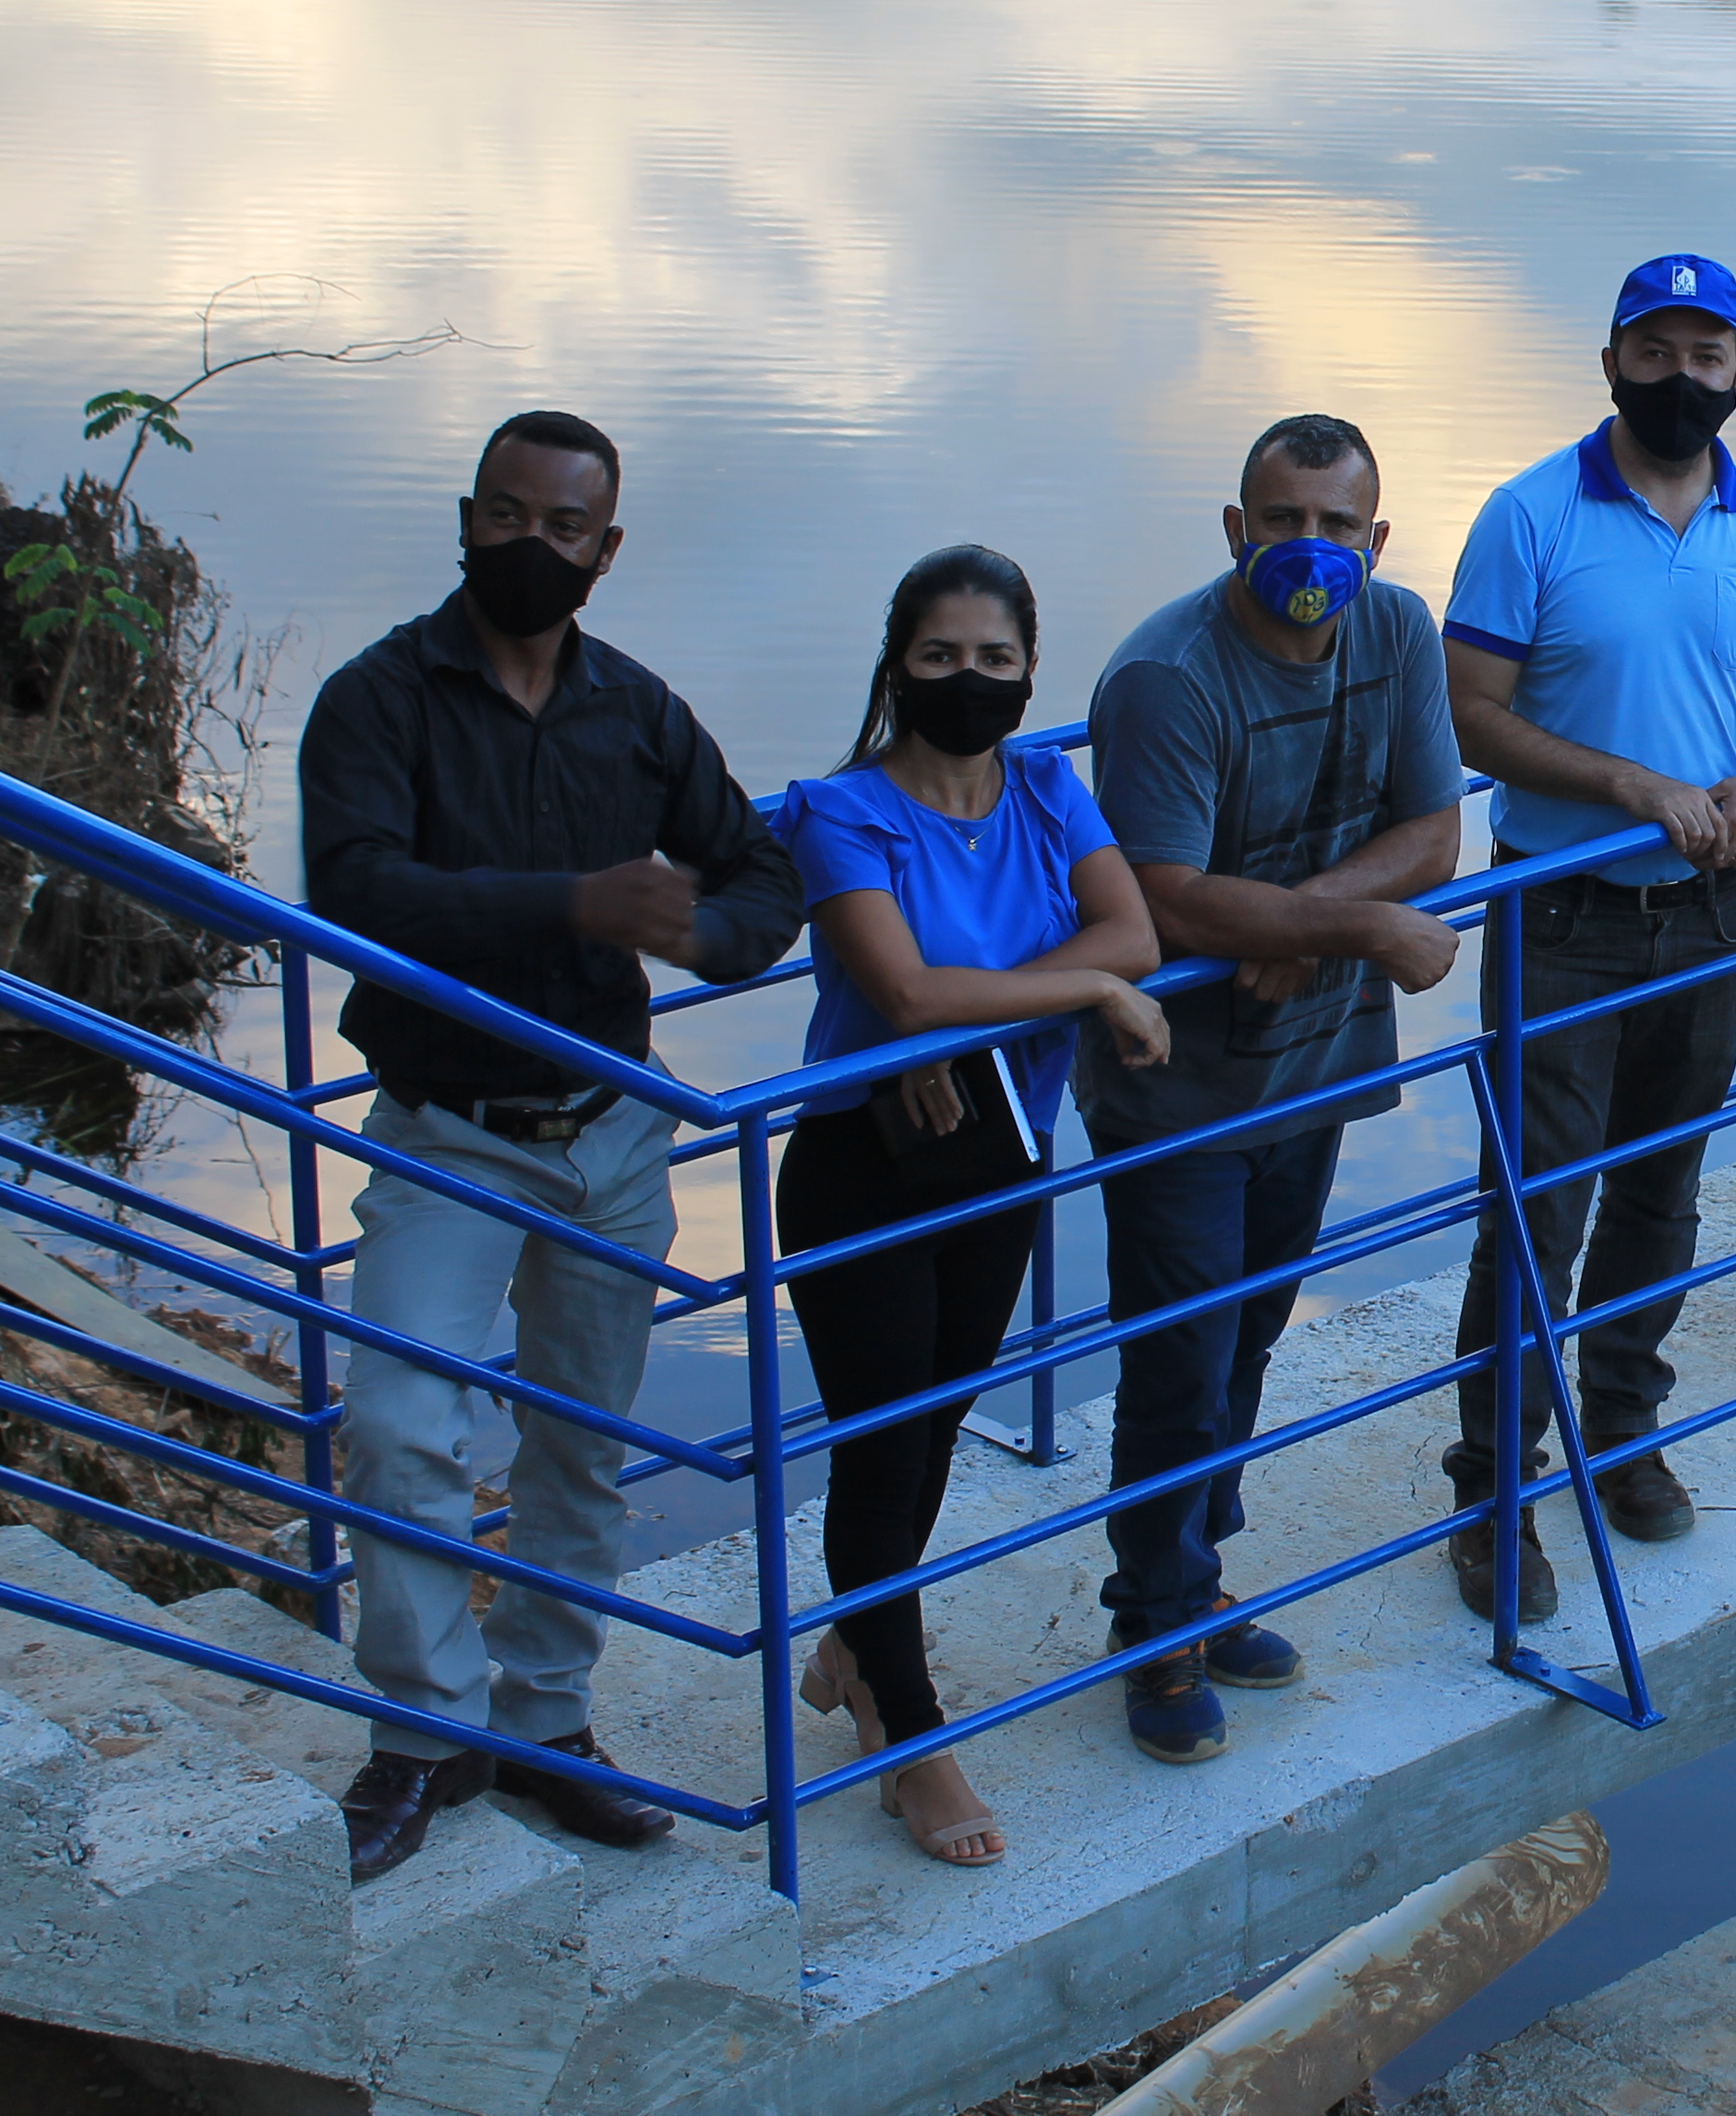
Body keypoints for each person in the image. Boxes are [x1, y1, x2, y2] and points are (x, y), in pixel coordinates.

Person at [300, 409, 803, 1883]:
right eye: (508, 517)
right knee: (401, 1429)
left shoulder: (637, 711)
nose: (533, 546)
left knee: (582, 1449)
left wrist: (705, 937)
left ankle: (549, 1720)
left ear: (607, 548)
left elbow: (760, 868)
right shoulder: (377, 699)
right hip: (451, 1130)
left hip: (613, 1134)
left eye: (564, 528)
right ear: (467, 519)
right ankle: (426, 1733)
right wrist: (573, 904)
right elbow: (357, 892)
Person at [1439, 255, 1736, 1619]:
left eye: (1709, 353)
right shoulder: (1530, 516)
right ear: (1612, 360)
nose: (1681, 375)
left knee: (1660, 1196)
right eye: (1656, 349)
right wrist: (1629, 785)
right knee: (1535, 1213)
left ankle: (1624, 1434)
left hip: (1708, 920)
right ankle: (1495, 1492)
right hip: (1559, 916)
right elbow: (1472, 716)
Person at [772, 548, 1171, 1864]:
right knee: (883, 1445)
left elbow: (1137, 941)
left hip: (1000, 1152)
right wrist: (1083, 996)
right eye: (940, 657)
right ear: (897, 664)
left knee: (937, 1427)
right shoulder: (842, 810)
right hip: (858, 1166)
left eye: (994, 660)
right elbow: (903, 996)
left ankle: (854, 1646)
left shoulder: (1053, 788)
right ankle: (912, 1735)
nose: (968, 680)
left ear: (1029, 670)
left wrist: (1058, 991)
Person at [1084, 416, 1465, 1761]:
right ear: (1236, 529)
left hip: (1311, 1070)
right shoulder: (1169, 677)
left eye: (1337, 526)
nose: (1310, 548)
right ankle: (1154, 1624)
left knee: (1248, 1339)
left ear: (1377, 537)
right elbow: (1167, 899)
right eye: (1282, 521)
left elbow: (1434, 828)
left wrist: (1294, 920)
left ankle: (1195, 1576)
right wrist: (1352, 932)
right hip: (1173, 1088)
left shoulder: (1401, 631)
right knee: (1181, 1356)